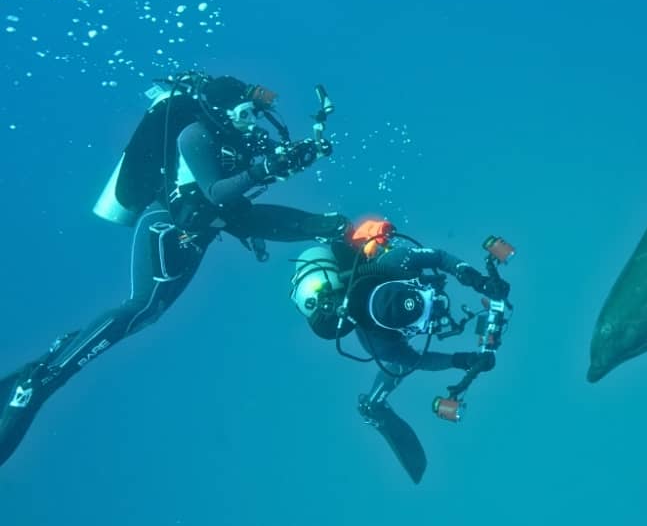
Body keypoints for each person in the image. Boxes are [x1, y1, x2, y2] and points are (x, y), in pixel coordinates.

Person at [0, 71, 352, 467]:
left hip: (198, 234)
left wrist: (302, 156)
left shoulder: (240, 138)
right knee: (144, 305)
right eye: (245, 113)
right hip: (167, 226)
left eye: (254, 114)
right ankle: (45, 380)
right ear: (221, 109)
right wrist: (266, 168)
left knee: (151, 312)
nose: (250, 122)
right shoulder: (194, 134)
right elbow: (217, 192)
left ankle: (57, 355)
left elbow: (242, 206)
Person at [287, 221, 510, 482]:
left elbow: (438, 257)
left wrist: (476, 280)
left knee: (399, 360)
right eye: (419, 318)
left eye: (425, 302)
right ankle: (372, 405)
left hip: (379, 277)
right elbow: (415, 360)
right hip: (386, 343)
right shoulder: (378, 343)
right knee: (398, 365)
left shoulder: (395, 262)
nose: (430, 310)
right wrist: (462, 360)